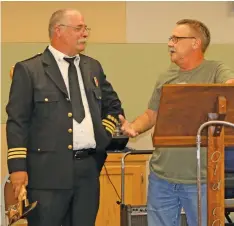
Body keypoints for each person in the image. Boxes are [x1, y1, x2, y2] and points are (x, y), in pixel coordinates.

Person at [6, 8, 124, 226]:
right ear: (58, 31)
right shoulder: (30, 70)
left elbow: (113, 107)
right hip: (46, 174)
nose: (85, 33)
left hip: (88, 171)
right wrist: (18, 168)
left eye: (85, 28)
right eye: (78, 28)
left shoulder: (92, 67)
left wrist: (103, 134)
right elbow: (17, 122)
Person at [119, 19, 234, 226]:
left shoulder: (215, 70)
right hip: (161, 177)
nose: (170, 43)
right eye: (170, 39)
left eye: (176, 38)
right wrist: (133, 127)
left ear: (195, 43)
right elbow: (152, 114)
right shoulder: (166, 76)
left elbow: (230, 89)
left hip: (200, 179)